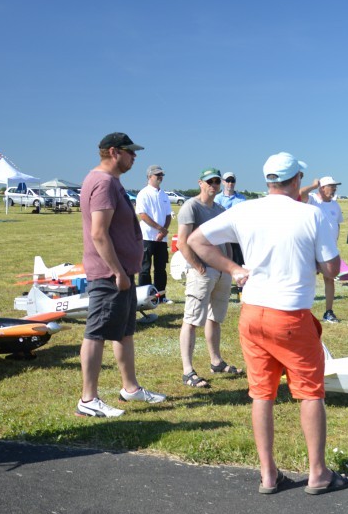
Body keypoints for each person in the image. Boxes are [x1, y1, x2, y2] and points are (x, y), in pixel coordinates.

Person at [187, 152, 348, 495]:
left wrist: (233, 269)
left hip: (252, 312)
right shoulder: (311, 213)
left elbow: (195, 240)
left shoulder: (244, 209)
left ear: (268, 181)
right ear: (296, 180)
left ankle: (268, 474)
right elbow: (332, 269)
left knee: (262, 394)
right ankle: (317, 472)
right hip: (290, 314)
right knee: (309, 393)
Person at [77, 133, 166, 418]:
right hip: (109, 274)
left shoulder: (111, 182)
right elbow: (99, 234)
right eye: (130, 152)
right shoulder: (103, 182)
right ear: (114, 152)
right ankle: (88, 399)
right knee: (97, 334)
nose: (134, 157)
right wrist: (117, 271)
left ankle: (131, 388)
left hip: (122, 272)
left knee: (124, 333)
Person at [176, 168, 242, 389]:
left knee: (216, 319)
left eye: (216, 181)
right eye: (209, 181)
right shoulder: (191, 207)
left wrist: (229, 267)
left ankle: (216, 361)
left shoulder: (221, 209)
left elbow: (228, 242)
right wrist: (198, 266)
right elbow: (182, 242)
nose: (213, 185)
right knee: (193, 319)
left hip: (221, 271)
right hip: (202, 272)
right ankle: (188, 371)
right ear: (200, 183)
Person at [300, 175, 344, 323]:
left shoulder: (335, 205)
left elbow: (336, 225)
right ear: (322, 188)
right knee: (306, 279)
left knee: (329, 279)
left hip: (328, 249)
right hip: (310, 248)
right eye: (331, 186)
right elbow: (299, 194)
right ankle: (303, 312)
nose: (334, 189)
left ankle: (328, 312)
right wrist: (313, 186)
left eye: (335, 186)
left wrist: (334, 244)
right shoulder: (313, 200)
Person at [135, 164, 172, 302]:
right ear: (150, 176)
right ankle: (145, 298)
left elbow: (168, 215)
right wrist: (159, 228)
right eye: (157, 175)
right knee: (144, 268)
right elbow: (142, 215)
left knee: (160, 269)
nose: (160, 177)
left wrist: (163, 231)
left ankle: (161, 296)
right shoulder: (143, 193)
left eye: (161, 175)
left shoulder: (163, 194)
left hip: (161, 239)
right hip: (147, 236)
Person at [216, 172, 247, 267]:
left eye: (232, 181)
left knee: (239, 263)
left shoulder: (241, 199)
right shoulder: (217, 199)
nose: (230, 183)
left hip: (236, 235)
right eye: (228, 181)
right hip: (222, 234)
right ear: (223, 182)